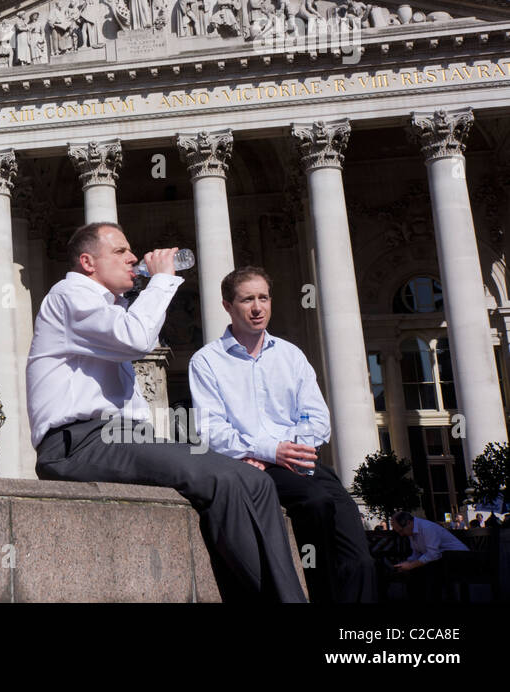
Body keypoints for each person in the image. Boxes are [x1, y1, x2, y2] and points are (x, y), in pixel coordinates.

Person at [27, 222, 306, 602]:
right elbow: (136, 339)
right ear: (88, 262)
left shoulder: (109, 307)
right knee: (221, 480)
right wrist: (161, 280)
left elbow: (132, 400)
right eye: (120, 251)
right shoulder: (69, 293)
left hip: (117, 437)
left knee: (252, 480)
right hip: (77, 443)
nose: (132, 257)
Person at [188, 267, 377, 603]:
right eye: (247, 299)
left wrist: (291, 450)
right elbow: (210, 430)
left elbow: (318, 418)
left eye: (263, 298)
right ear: (228, 306)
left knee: (360, 558)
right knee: (315, 505)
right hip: (253, 467)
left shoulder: (291, 355)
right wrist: (269, 451)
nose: (257, 307)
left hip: (300, 461)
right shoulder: (207, 362)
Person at [390, 511, 470, 601]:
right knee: (415, 574)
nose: (401, 534)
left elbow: (433, 555)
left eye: (401, 530)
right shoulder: (411, 531)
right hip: (443, 559)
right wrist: (407, 563)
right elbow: (417, 553)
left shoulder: (426, 528)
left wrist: (410, 565)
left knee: (429, 572)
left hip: (459, 558)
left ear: (409, 522)